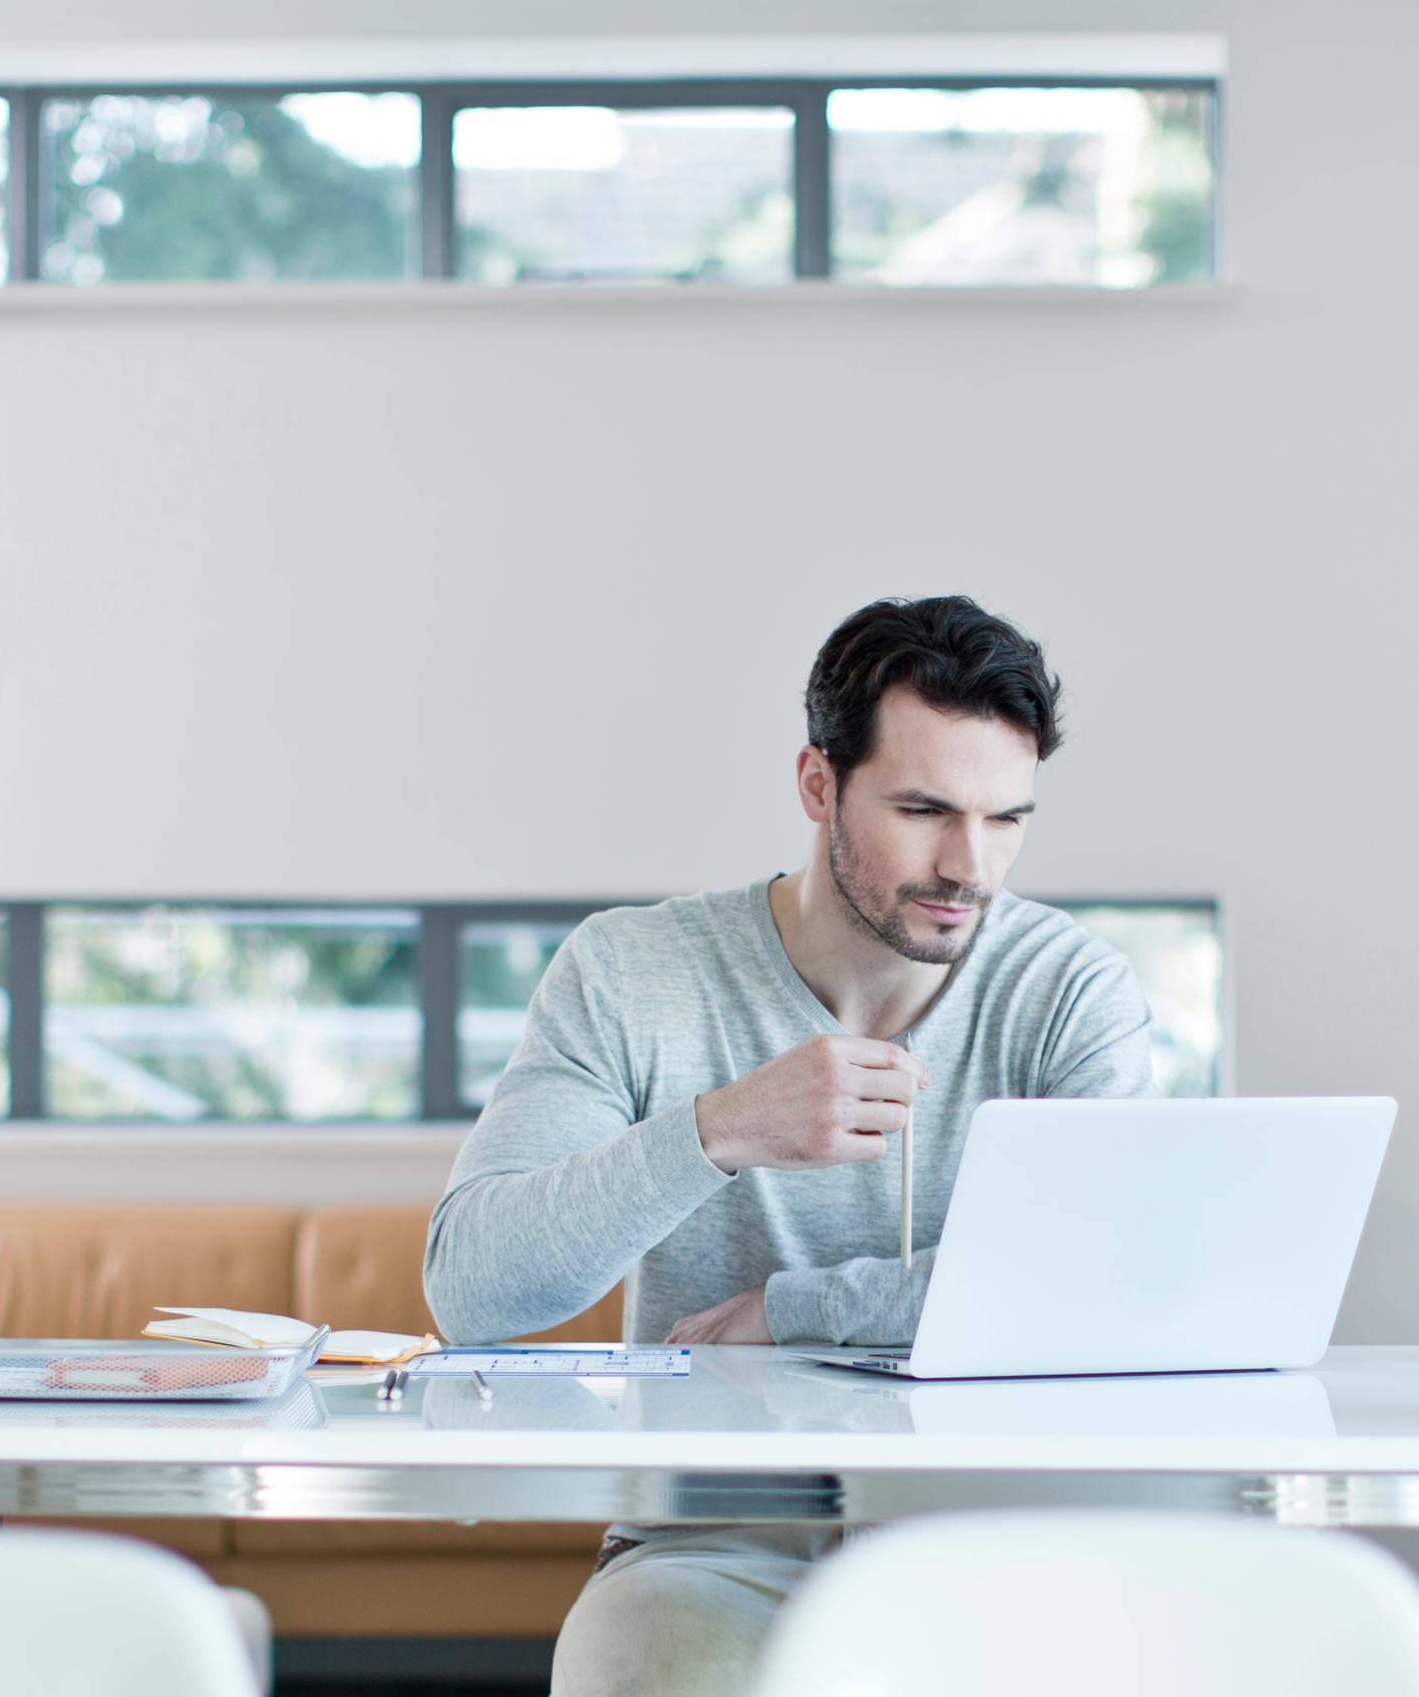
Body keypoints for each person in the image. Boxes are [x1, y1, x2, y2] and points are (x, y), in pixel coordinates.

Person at [423, 595, 1159, 1697]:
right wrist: (719, 1130)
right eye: (921, 809)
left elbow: (1096, 1294)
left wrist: (792, 1307)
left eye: (1007, 818)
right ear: (818, 784)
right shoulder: (631, 972)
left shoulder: (1069, 992)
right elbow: (473, 1289)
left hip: (989, 1531)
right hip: (707, 1541)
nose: (969, 866)